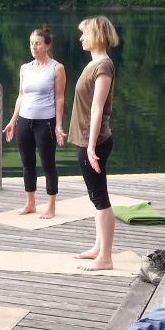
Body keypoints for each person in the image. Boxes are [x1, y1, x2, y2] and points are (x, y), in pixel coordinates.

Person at [68, 16, 120, 271]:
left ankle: (106, 257)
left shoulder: (104, 67)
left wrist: (90, 147)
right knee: (95, 196)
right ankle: (98, 247)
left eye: (85, 34)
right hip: (88, 140)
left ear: (97, 36)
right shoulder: (95, 64)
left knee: (100, 198)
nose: (81, 38)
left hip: (95, 142)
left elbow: (97, 109)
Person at [3, 26, 67, 218]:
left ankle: (51, 206)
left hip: (45, 122)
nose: (34, 47)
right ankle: (30, 203)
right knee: (27, 163)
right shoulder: (25, 68)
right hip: (24, 120)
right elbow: (21, 96)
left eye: (38, 43)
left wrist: (58, 125)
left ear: (47, 45)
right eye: (31, 43)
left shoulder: (57, 68)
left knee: (48, 164)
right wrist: (13, 121)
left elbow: (60, 98)